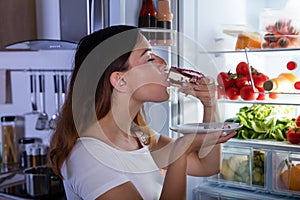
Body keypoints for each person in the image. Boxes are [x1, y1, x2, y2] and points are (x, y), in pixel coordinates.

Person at [49, 25, 236, 200]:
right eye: (149, 58)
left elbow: (207, 166)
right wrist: (180, 149)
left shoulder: (138, 135)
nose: (164, 63)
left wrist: (210, 104)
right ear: (120, 81)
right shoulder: (88, 157)